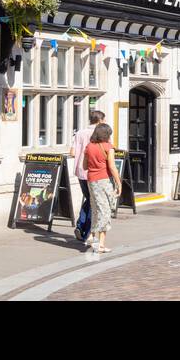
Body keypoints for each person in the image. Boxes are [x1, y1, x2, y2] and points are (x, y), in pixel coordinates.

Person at [83, 122, 121, 254]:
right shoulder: (108, 147)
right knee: (105, 211)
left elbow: (84, 166)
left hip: (91, 181)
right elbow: (112, 166)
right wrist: (119, 183)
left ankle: (92, 236)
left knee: (95, 209)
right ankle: (100, 244)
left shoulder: (88, 147)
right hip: (103, 180)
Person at [70, 108, 104, 244]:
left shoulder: (80, 133)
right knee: (93, 201)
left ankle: (80, 226)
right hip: (94, 172)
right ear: (100, 120)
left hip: (80, 172)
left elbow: (72, 152)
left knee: (90, 199)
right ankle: (85, 230)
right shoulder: (99, 134)